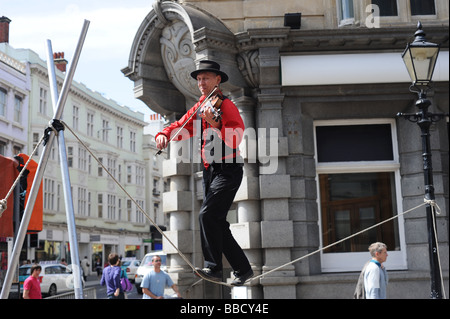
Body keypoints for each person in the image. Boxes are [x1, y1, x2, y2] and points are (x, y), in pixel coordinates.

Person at [155, 60, 253, 286]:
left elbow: (237, 137)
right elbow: (181, 125)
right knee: (217, 223)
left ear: (217, 80)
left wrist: (217, 126)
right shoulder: (200, 107)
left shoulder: (225, 105)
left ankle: (214, 267)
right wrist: (164, 135)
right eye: (199, 79)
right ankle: (243, 269)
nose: (201, 83)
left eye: (206, 78)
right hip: (210, 172)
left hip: (227, 169)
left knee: (206, 216)